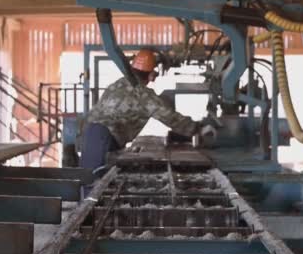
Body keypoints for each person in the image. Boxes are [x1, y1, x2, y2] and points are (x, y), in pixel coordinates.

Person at [79, 48, 215, 174]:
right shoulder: (143, 94)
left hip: (90, 132)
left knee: (94, 180)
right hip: (102, 136)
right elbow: (168, 116)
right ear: (151, 75)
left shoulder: (119, 83)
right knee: (94, 183)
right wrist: (198, 129)